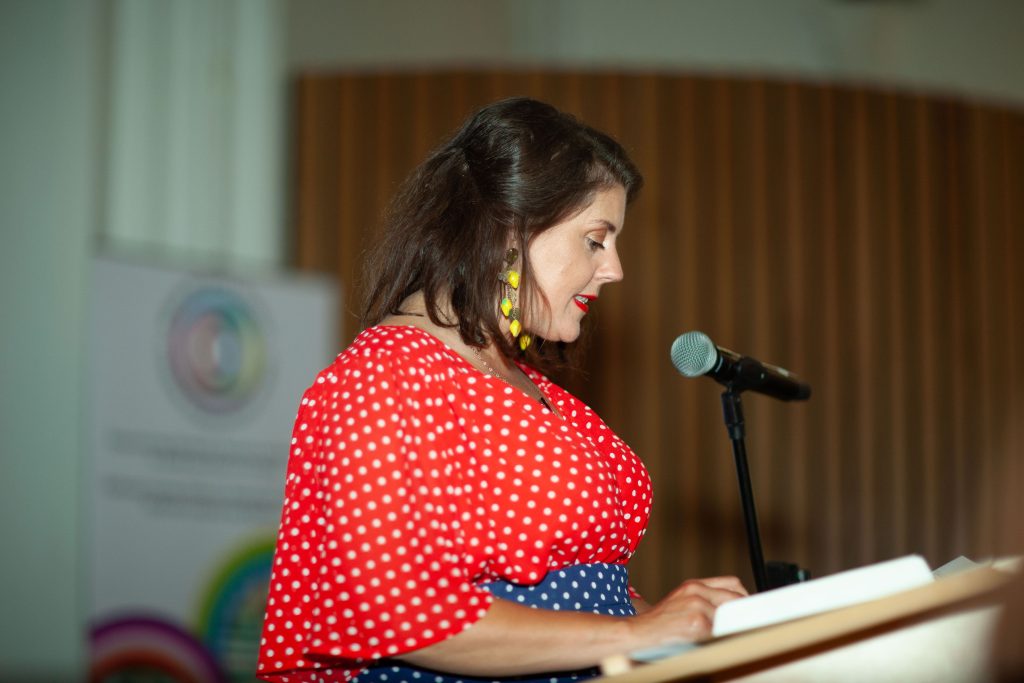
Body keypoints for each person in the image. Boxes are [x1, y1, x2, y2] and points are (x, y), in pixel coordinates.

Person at [256, 97, 747, 683]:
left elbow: (588, 605)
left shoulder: (532, 390)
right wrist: (640, 632)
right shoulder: (383, 377)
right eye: (596, 238)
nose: (615, 268)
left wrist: (694, 627)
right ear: (509, 228)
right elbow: (398, 610)